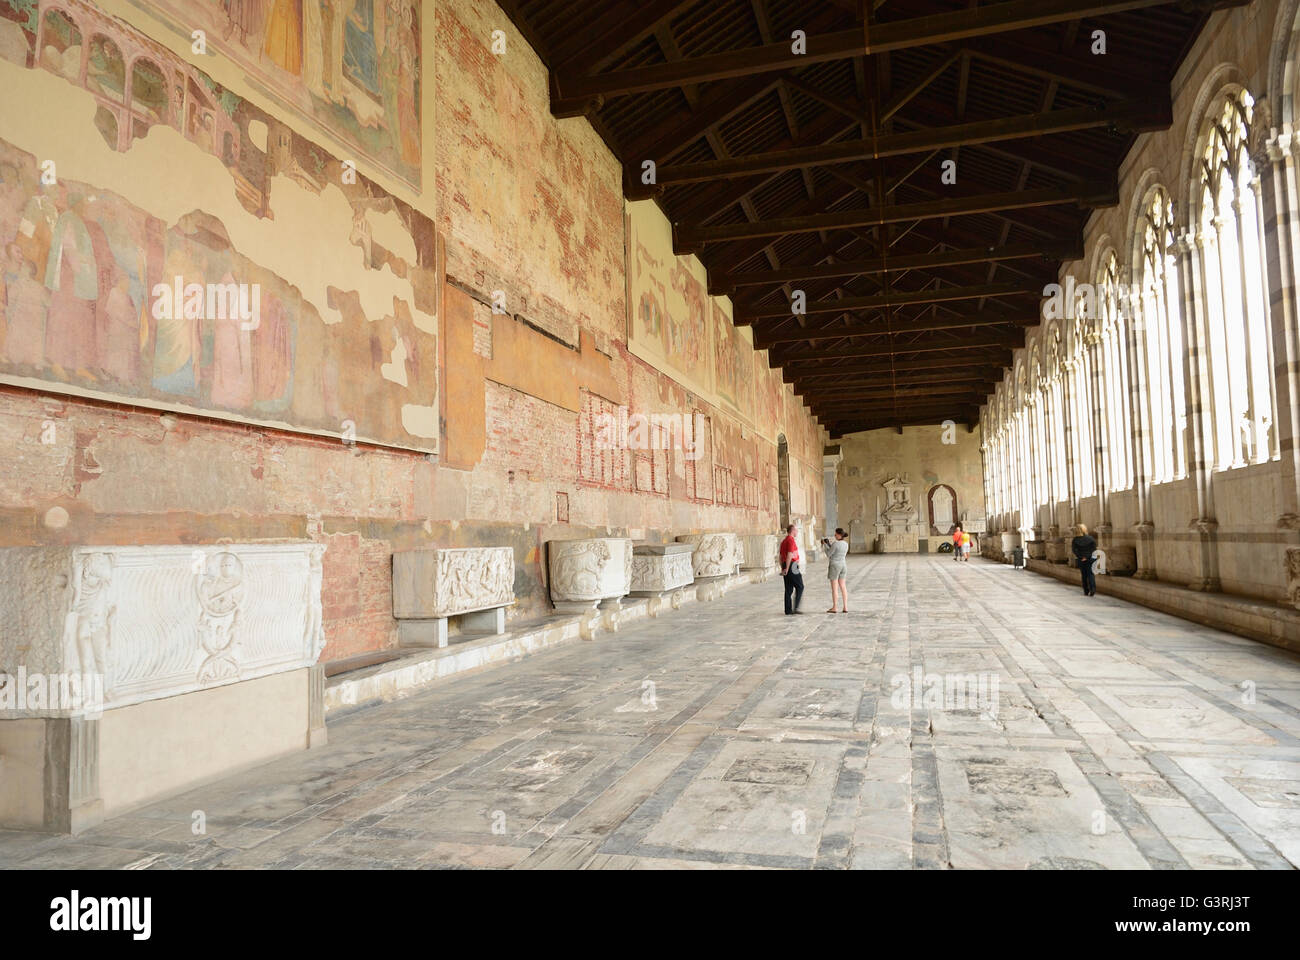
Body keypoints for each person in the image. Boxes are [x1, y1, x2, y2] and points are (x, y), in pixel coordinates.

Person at [779, 523, 804, 614]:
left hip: (786, 564)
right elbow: (790, 554)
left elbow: (781, 556)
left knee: (788, 588)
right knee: (800, 586)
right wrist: (788, 568)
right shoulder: (790, 540)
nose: (797, 532)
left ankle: (788, 610)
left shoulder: (784, 541)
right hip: (792, 565)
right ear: (792, 531)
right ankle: (796, 608)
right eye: (796, 530)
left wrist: (783, 567)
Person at [823, 528, 849, 612]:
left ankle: (835, 607)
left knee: (834, 588)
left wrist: (825, 545)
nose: (834, 535)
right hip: (843, 565)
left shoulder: (835, 544)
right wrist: (829, 545)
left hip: (835, 565)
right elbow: (837, 551)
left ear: (839, 535)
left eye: (836, 534)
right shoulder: (845, 544)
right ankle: (845, 607)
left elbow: (829, 554)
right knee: (843, 586)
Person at [1071, 523, 1098, 596]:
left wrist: (1081, 557)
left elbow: (1074, 550)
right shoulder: (1091, 538)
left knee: (1084, 575)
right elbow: (1094, 550)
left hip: (1081, 560)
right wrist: (1087, 557)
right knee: (1091, 574)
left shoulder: (1075, 540)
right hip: (1090, 559)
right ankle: (1093, 589)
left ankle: (1086, 590)